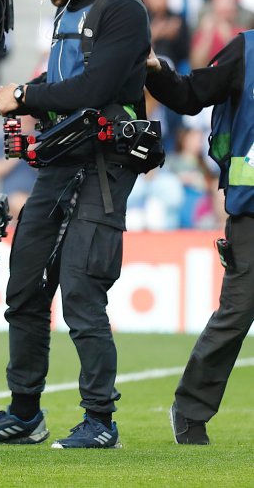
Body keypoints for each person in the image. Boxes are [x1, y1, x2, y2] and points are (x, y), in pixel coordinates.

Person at [0, 0, 151, 449]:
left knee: (82, 294)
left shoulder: (123, 9)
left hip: (104, 166)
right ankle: (24, 415)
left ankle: (100, 422)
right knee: (24, 289)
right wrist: (6, 95)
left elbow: (96, 86)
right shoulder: (68, 7)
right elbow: (62, 78)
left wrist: (23, 93)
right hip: (60, 161)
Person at [146, 36, 254, 445]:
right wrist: (156, 71)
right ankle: (190, 409)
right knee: (237, 314)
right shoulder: (246, 51)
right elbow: (192, 95)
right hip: (252, 210)